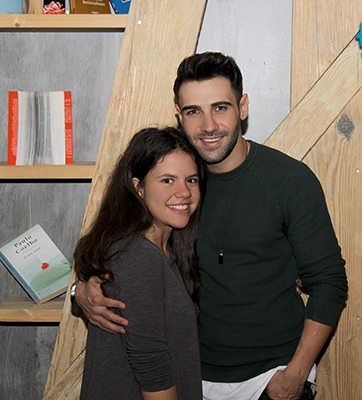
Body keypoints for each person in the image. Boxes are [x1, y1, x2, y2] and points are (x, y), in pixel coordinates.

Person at [74, 52, 348, 400]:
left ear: (242, 107)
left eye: (220, 108)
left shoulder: (289, 180)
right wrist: (81, 290)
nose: (208, 125)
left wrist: (295, 375)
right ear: (179, 115)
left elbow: (329, 282)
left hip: (271, 378)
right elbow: (122, 248)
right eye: (193, 111)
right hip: (187, 376)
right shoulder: (171, 186)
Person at [74, 127, 207, 400]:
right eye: (167, 180)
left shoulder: (168, 250)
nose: (183, 192)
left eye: (191, 180)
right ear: (139, 188)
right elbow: (152, 368)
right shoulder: (138, 256)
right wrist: (78, 291)